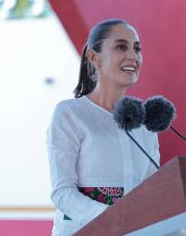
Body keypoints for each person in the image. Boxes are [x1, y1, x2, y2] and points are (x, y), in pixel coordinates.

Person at [46, 19, 160, 236]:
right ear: (93, 56)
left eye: (137, 49)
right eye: (121, 47)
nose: (133, 56)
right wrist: (114, 220)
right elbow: (62, 193)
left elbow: (151, 192)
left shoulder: (146, 123)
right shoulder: (69, 114)